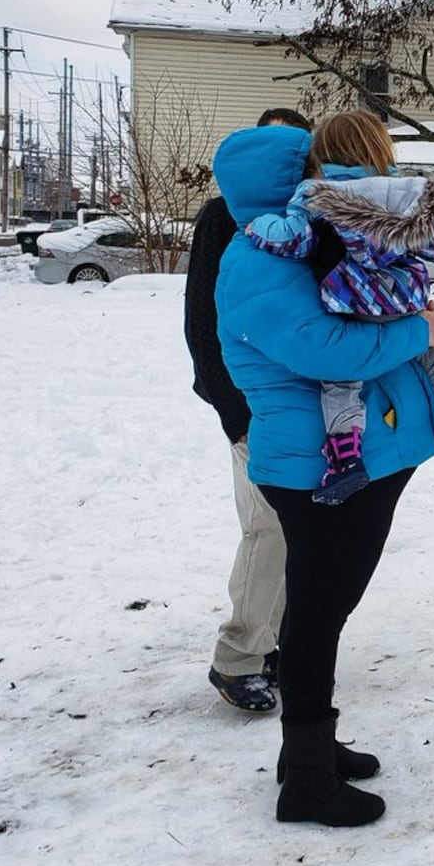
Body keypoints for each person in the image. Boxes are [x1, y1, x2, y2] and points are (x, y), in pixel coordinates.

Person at [212, 120, 434, 827]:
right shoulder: (261, 255)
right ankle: (308, 784)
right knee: (320, 616)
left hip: (340, 457)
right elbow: (327, 349)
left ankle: (307, 753)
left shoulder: (303, 243)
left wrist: (415, 319)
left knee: (319, 607)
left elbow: (354, 314)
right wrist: (420, 330)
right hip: (314, 466)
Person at [241, 109, 434, 504]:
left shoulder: (318, 194)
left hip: (354, 298)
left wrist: (258, 225)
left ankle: (346, 460)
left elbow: (293, 240)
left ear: (324, 154)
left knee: (341, 381)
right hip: (405, 295)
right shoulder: (409, 192)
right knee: (415, 343)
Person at [186, 107, 312, 713]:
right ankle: (237, 659)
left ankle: (271, 643)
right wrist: (232, 411)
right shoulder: (222, 219)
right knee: (268, 528)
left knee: (294, 532)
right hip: (248, 404)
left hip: (293, 404)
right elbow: (204, 324)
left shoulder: (303, 217)